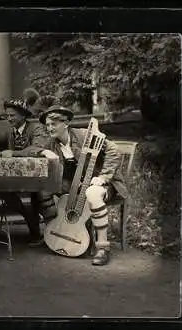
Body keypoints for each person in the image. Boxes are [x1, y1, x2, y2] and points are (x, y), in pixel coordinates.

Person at [37, 105, 129, 266]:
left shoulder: (84, 135)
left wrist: (104, 177)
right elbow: (32, 149)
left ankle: (102, 247)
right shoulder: (52, 144)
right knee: (43, 190)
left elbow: (114, 150)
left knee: (92, 194)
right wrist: (42, 152)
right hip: (76, 185)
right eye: (47, 125)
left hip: (101, 183)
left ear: (65, 123)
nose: (49, 128)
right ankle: (60, 231)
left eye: (53, 124)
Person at [0, 90, 58, 247]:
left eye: (12, 115)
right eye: (7, 115)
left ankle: (38, 233)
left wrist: (13, 153)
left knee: (34, 198)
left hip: (38, 177)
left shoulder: (37, 129)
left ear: (23, 115)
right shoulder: (10, 131)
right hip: (18, 178)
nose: (9, 119)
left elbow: (37, 148)